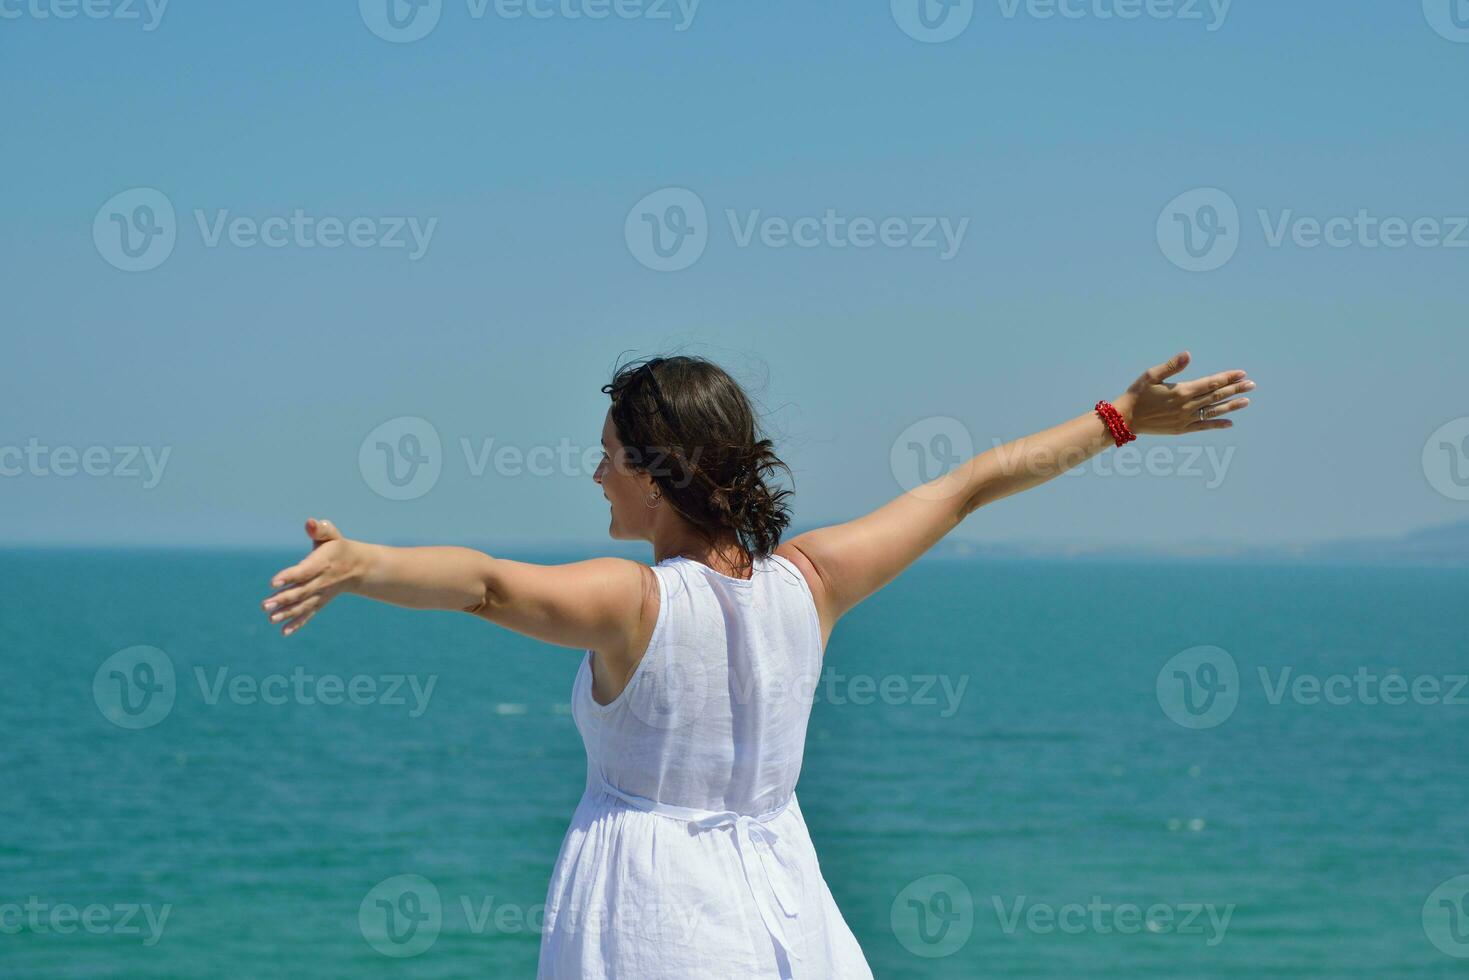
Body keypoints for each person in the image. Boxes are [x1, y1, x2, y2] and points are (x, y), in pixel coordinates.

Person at [261, 351, 1252, 978]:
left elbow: (482, 582)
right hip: (790, 913)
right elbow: (966, 487)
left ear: (656, 474)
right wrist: (1120, 419)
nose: (594, 471)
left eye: (608, 453)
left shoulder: (633, 601)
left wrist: (361, 565)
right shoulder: (809, 580)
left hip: (654, 915)